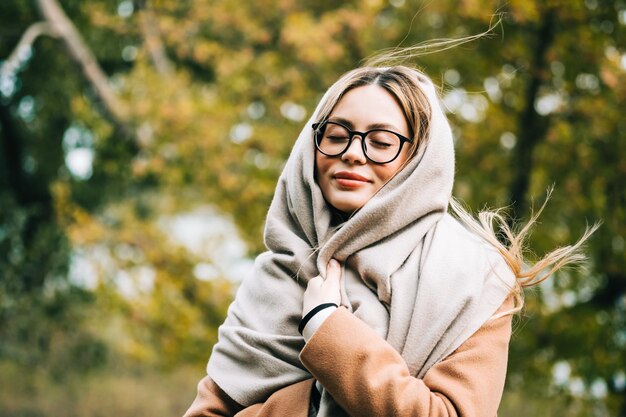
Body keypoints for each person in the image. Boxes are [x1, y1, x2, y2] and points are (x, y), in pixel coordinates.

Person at [183, 63, 593, 417]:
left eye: (381, 142)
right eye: (336, 134)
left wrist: (328, 329)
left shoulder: (475, 280)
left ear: (419, 160)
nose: (353, 153)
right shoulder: (275, 273)